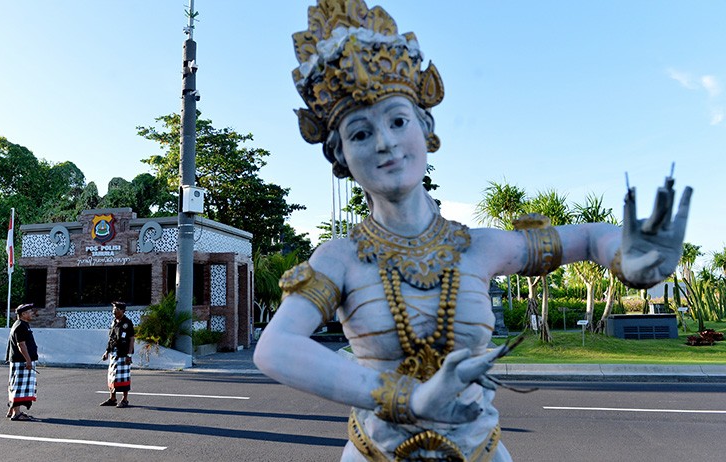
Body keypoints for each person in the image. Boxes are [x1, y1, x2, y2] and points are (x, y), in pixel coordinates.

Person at [253, 1, 693, 460]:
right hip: (377, 453)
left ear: (426, 130)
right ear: (340, 156)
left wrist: (626, 257)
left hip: (478, 451)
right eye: (360, 133)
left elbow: (583, 238)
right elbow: (275, 348)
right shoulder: (339, 258)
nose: (384, 142)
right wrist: (410, 399)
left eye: (398, 121)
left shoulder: (479, 247)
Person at [6, 303, 39, 421]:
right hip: (21, 362)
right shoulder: (20, 326)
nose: (32, 313)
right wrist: (28, 360)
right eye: (30, 311)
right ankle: (16, 413)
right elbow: (21, 345)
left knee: (18, 386)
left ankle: (12, 410)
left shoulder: (23, 325)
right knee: (18, 387)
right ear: (23, 314)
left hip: (21, 361)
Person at [100, 301, 135, 408]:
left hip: (124, 354)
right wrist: (106, 352)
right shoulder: (114, 322)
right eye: (113, 309)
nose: (114, 311)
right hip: (114, 354)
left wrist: (129, 355)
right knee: (112, 377)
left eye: (116, 309)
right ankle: (112, 398)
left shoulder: (127, 323)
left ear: (123, 311)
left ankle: (125, 399)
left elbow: (131, 339)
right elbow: (111, 339)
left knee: (123, 377)